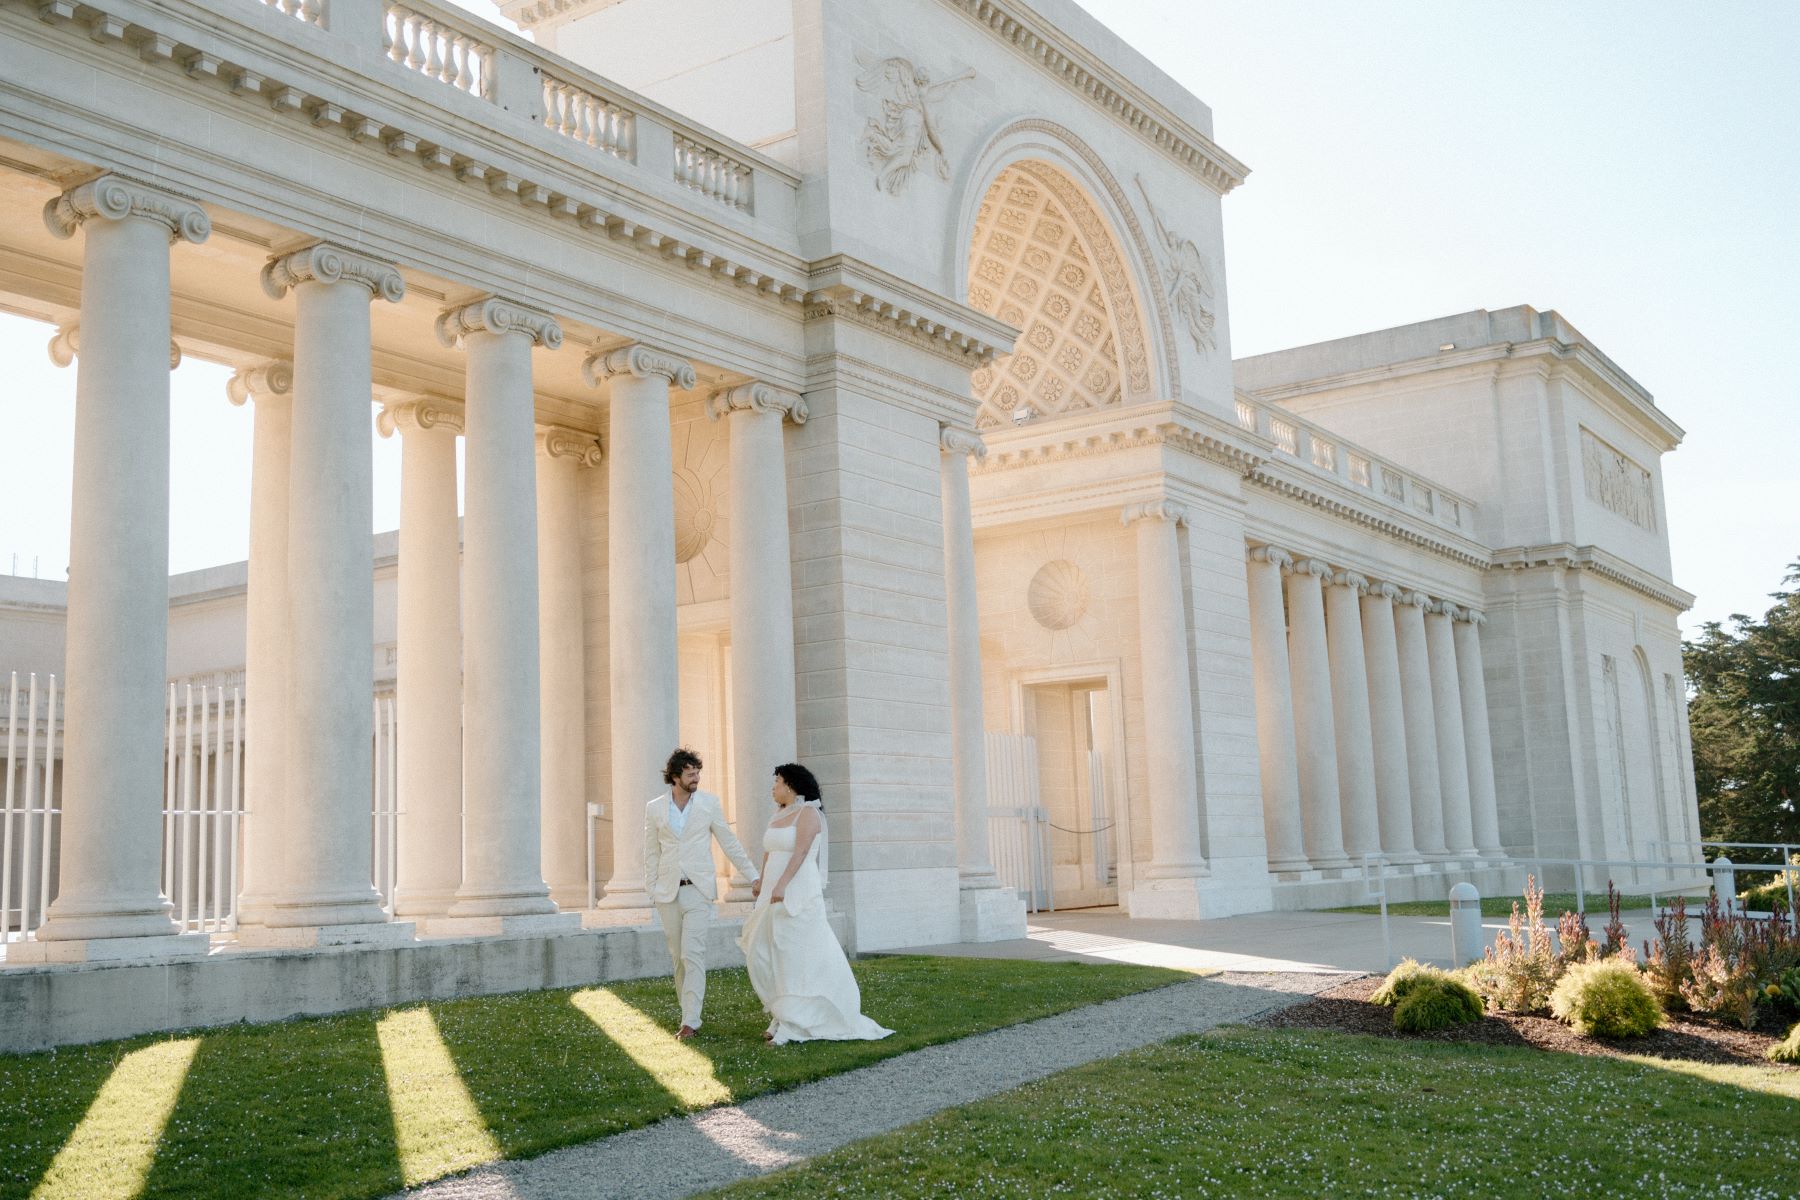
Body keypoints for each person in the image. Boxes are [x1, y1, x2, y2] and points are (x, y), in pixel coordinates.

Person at [737, 763, 893, 1045]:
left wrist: (782, 884)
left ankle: (796, 1023)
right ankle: (781, 1013)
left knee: (795, 953)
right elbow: (769, 852)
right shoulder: (778, 814)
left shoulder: (808, 814)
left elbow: (801, 852)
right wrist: (762, 881)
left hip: (796, 890)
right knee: (769, 951)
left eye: (777, 782)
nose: (773, 787)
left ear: (791, 785)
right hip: (772, 891)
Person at [644, 748, 759, 1040]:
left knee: (692, 953)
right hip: (668, 893)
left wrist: (755, 876)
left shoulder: (709, 804)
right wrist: (652, 891)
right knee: (677, 957)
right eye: (691, 773)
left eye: (698, 773)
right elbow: (651, 853)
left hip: (698, 890)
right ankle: (688, 1012)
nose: (696, 778)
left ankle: (690, 1022)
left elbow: (729, 843)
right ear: (675, 776)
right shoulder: (655, 808)